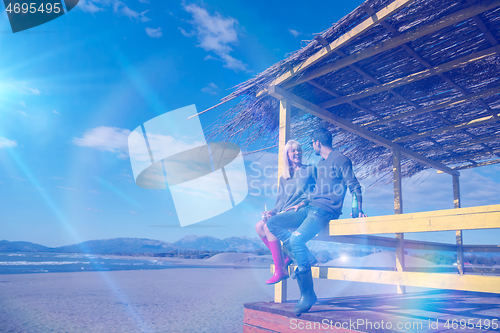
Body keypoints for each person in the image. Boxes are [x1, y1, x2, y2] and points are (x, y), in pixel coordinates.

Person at [267, 127, 366, 316]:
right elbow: (314, 191)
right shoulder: (321, 163)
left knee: (296, 240)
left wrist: (358, 210)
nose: (311, 147)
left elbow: (354, 185)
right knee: (273, 223)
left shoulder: (341, 159)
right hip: (309, 207)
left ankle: (308, 294)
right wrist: (302, 203)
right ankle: (306, 257)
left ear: (317, 143)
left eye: (311, 144)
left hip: (325, 210)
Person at [255, 140, 315, 285]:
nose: (296, 153)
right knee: (259, 227)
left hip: (300, 210)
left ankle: (280, 269)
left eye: (298, 150)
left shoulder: (310, 170)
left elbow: (315, 193)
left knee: (269, 226)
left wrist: (302, 203)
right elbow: (280, 201)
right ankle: (285, 257)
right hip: (284, 212)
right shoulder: (284, 177)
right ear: (287, 155)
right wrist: (272, 211)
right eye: (293, 151)